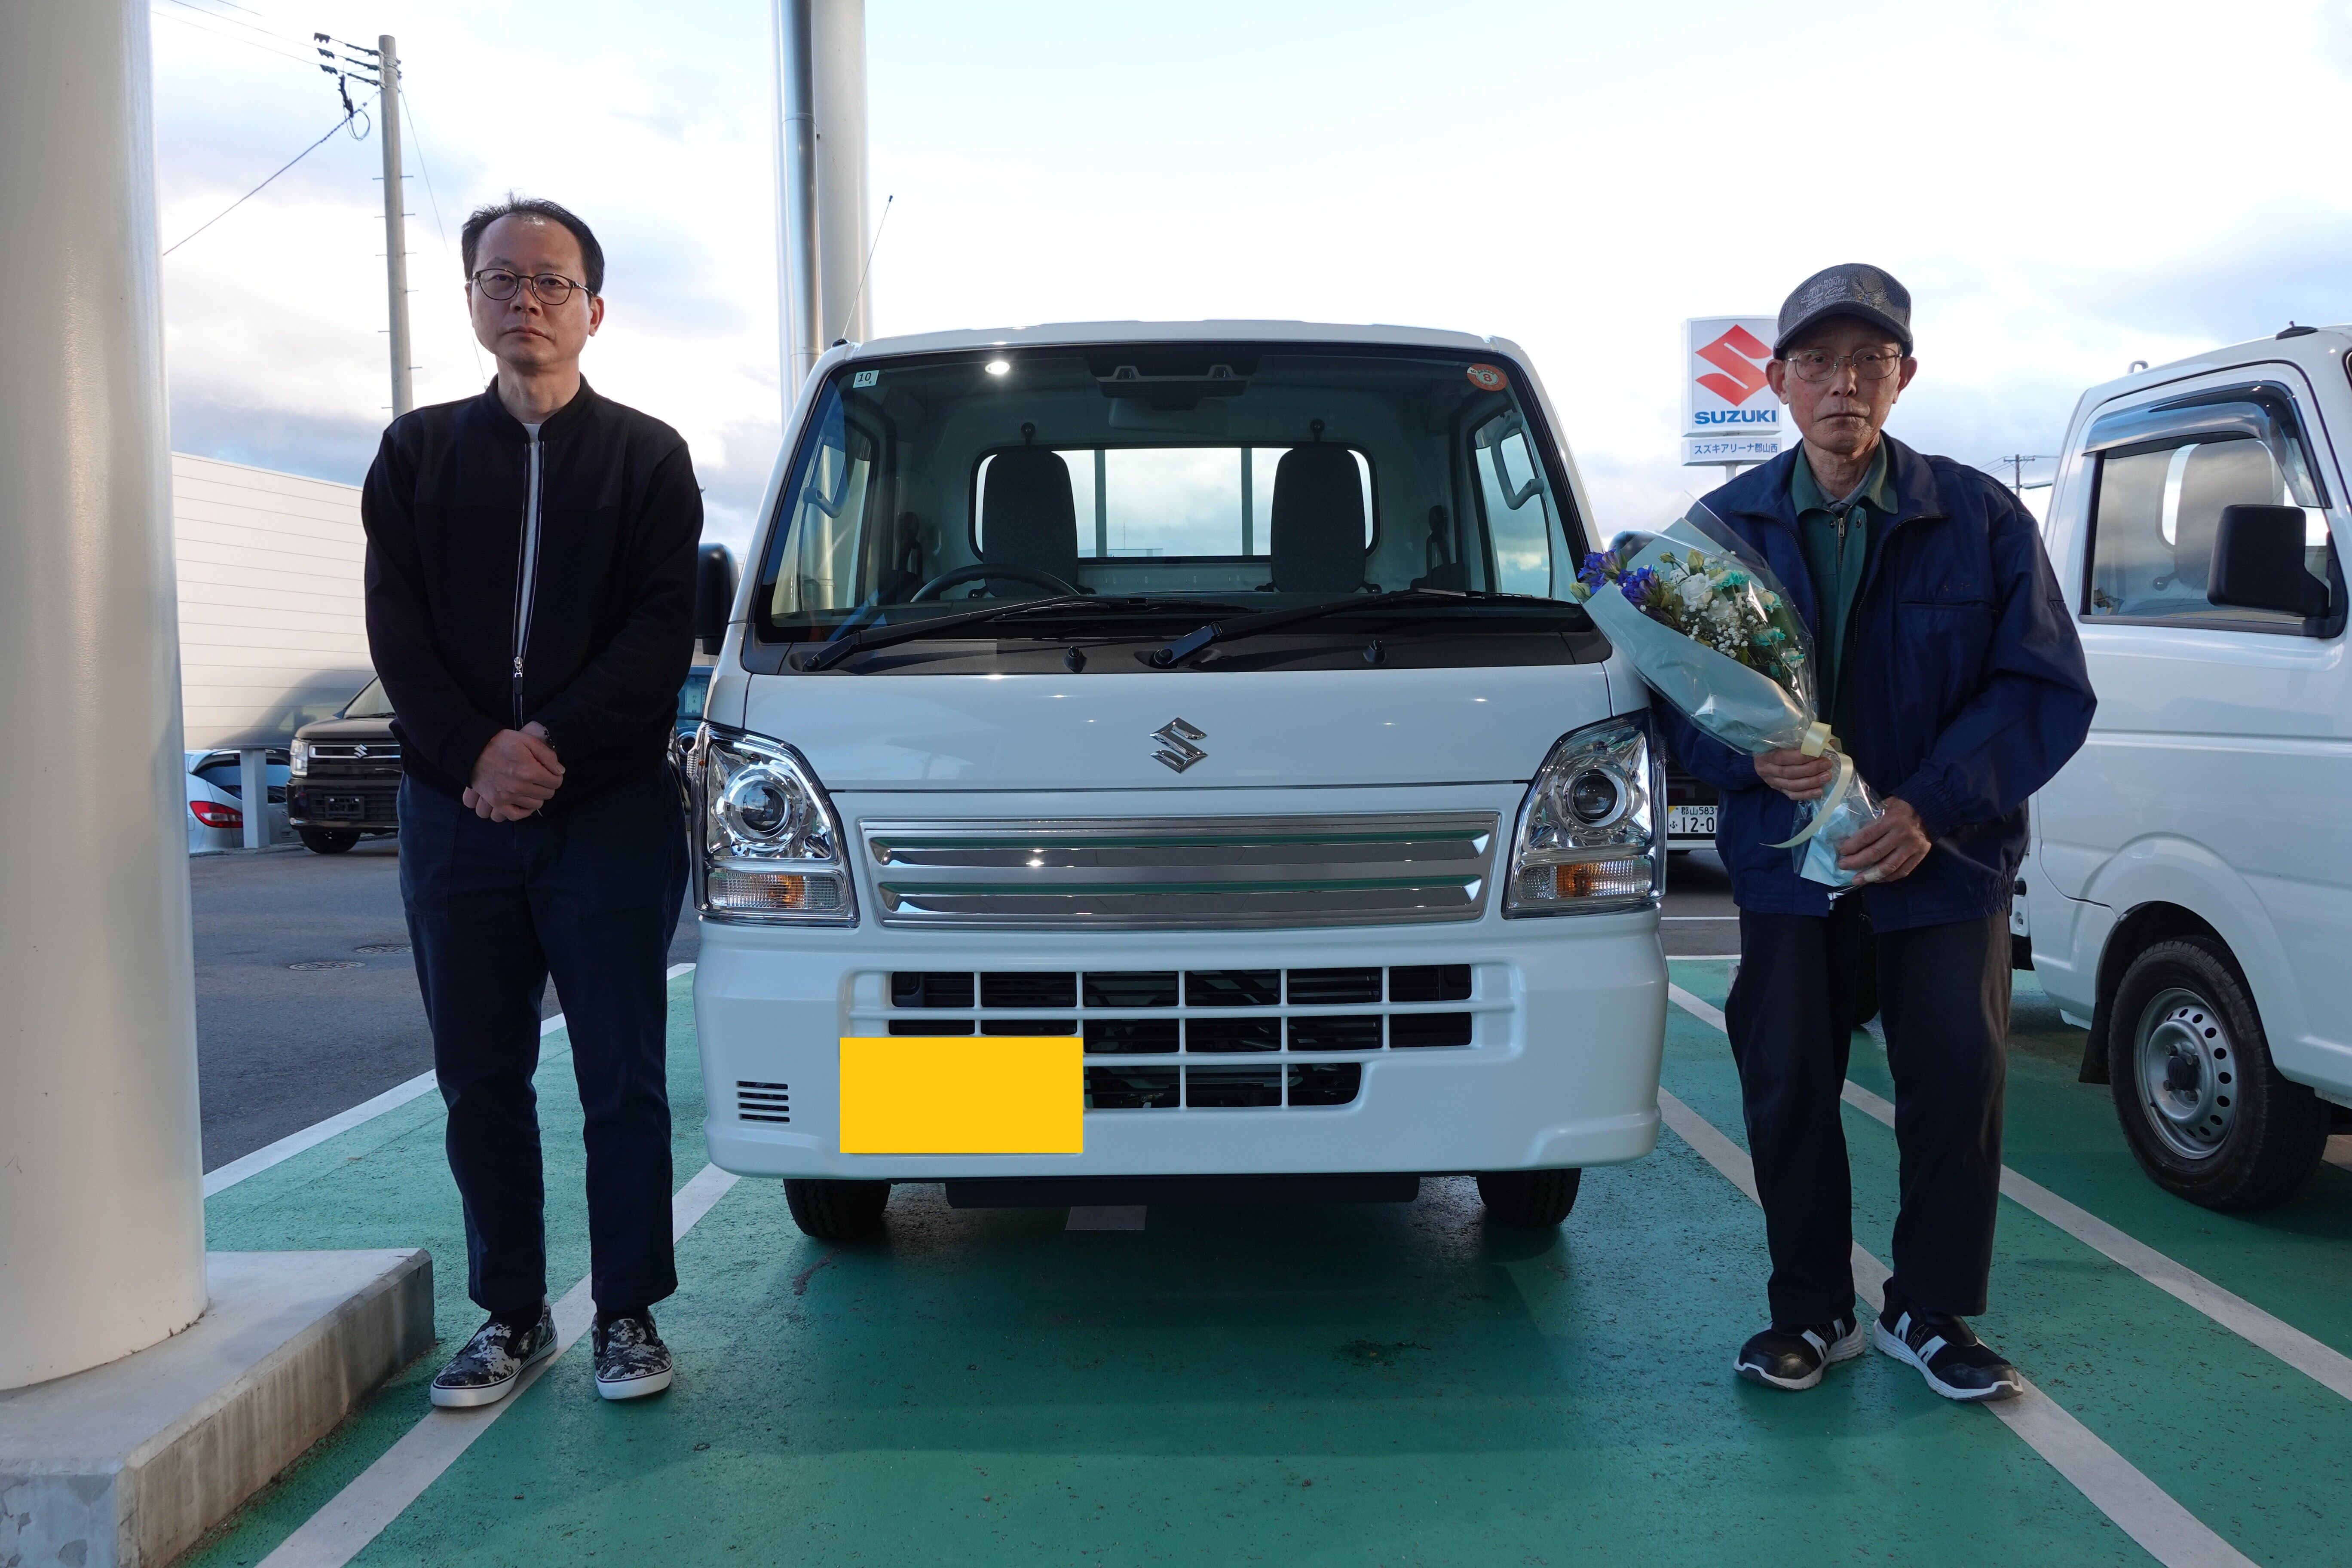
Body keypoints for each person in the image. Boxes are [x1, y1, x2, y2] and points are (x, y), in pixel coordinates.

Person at [1655, 264, 2095, 1401]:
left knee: (1956, 1082)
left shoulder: (1980, 519)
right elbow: (1670, 695)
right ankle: (1810, 1310)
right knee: (1787, 1081)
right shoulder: (1722, 531)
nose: (1842, 384)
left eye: (1868, 361)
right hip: (1787, 869)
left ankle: (1930, 1313)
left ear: (1905, 376)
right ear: (1777, 380)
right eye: (1818, 362)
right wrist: (1744, 759)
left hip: (1939, 864)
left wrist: (1928, 807)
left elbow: (2042, 687)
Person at [362, 196, 703, 1406]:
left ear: (593, 310)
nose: (527, 300)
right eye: (502, 278)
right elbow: (397, 632)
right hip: (454, 812)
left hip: (606, 810)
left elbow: (661, 631)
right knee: (480, 1073)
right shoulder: (417, 456)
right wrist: (476, 755)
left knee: (623, 1072)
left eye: (552, 282)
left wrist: (547, 742)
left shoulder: (648, 458)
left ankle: (628, 1313)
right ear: (471, 301)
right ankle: (511, 1313)